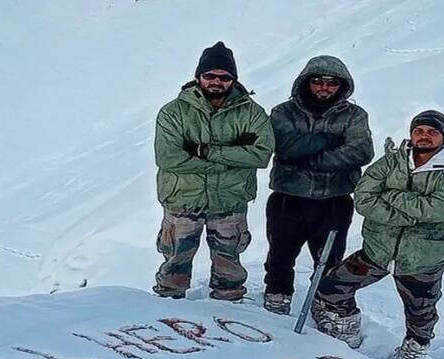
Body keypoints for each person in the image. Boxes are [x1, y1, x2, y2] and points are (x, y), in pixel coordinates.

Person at [311, 110, 444, 359]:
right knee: (333, 286)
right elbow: (364, 198)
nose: (424, 136)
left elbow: (441, 210)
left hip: (424, 257)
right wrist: (409, 216)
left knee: (421, 311)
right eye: (419, 130)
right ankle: (345, 329)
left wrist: (391, 195)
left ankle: (413, 351)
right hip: (378, 249)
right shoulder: (392, 161)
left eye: (432, 132)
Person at [152, 42, 274, 301]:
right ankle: (165, 309)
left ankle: (229, 306)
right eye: (210, 76)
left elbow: (262, 155)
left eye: (224, 77)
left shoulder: (252, 113)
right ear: (198, 77)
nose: (216, 82)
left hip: (229, 200)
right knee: (175, 260)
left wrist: (205, 151)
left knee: (229, 264)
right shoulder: (173, 112)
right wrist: (233, 158)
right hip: (183, 199)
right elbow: (169, 158)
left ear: (233, 80)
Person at [262, 55, 374, 315]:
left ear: (342, 85)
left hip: (334, 200)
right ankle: (277, 296)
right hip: (288, 197)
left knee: (329, 260)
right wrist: (329, 139)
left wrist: (313, 159)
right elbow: (285, 146)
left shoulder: (354, 115)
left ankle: (323, 302)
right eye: (318, 81)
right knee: (280, 254)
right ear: (306, 82)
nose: (324, 88)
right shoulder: (283, 112)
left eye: (332, 83)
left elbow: (360, 151)